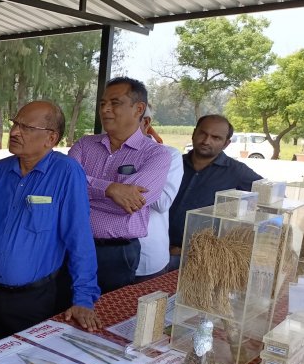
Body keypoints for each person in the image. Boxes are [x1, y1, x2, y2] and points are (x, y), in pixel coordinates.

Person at [0, 101, 101, 347]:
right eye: (15, 124)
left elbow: (79, 240)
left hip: (35, 300)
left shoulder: (66, 173)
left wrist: (83, 299)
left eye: (26, 127)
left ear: (50, 138)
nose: (14, 132)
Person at [69, 77, 171, 294]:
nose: (105, 109)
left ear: (138, 109)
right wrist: (111, 189)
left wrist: (84, 190)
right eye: (102, 104)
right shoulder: (85, 144)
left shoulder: (156, 154)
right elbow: (63, 187)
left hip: (115, 254)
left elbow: (131, 203)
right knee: (63, 314)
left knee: (106, 316)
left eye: (115, 103)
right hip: (71, 245)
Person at [168, 114, 262, 270]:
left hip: (201, 260)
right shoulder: (173, 164)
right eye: (203, 134)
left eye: (216, 138)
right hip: (157, 252)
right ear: (194, 133)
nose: (206, 141)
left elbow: (269, 199)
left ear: (226, 143)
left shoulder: (237, 172)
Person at [135, 104, 183, 283]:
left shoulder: (169, 155)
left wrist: (120, 183)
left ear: (145, 122)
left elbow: (162, 203)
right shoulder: (98, 151)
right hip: (100, 254)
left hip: (146, 255)